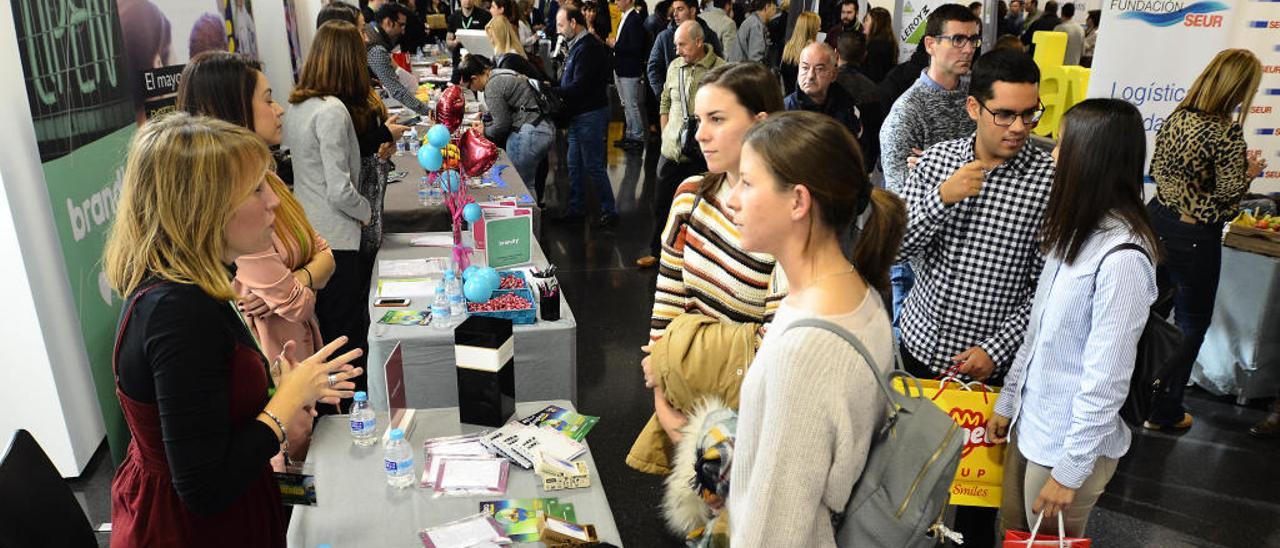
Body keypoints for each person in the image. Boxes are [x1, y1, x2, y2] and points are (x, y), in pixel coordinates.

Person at [103, 112, 363, 548]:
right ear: (205, 206)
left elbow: (206, 411)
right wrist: (286, 402)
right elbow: (205, 488)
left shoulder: (193, 290)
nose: (274, 203)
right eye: (257, 189)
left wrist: (277, 387)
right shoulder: (177, 314)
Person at [726, 111, 906, 546]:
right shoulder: (855, 289)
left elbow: (778, 530)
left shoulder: (806, 349)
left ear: (798, 202)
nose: (732, 198)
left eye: (747, 183)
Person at [897, 48, 1053, 547]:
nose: (1019, 127)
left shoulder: (1047, 181)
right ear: (973, 109)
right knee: (912, 486)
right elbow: (894, 248)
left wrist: (997, 350)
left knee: (976, 505)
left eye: (1030, 114)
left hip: (991, 373)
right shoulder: (939, 164)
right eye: (1004, 113)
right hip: (921, 355)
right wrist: (941, 199)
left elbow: (1045, 290)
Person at [987, 98, 1159, 540]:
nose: (1053, 155)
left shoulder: (1123, 257)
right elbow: (1039, 331)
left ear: (1092, 159)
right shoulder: (1076, 230)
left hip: (1066, 445)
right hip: (1032, 424)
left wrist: (1070, 471)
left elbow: (1107, 378)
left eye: (1063, 145)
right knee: (1012, 535)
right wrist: (1009, 403)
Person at [175, 51, 337, 463]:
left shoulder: (267, 181)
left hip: (297, 361)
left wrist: (297, 276)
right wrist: (307, 278)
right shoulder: (237, 209)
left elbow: (324, 251)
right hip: (276, 371)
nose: (279, 108)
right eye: (267, 99)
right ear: (234, 109)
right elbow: (299, 303)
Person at [630, 62, 786, 476]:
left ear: (760, 124)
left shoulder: (784, 219)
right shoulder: (690, 198)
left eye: (717, 119)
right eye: (700, 120)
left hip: (754, 424)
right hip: (687, 400)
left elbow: (775, 348)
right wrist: (663, 399)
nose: (700, 134)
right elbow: (667, 305)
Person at [1144, 49, 1265, 432]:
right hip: (1195, 236)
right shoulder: (1226, 132)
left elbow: (1156, 170)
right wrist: (1249, 173)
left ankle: (1129, 397)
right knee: (1191, 324)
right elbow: (1226, 205)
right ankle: (1163, 410)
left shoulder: (1177, 117)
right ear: (1238, 87)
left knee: (1145, 317)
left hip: (1155, 220)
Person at [284, 21, 376, 398]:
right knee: (347, 336)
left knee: (324, 335)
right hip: (337, 237)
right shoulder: (332, 111)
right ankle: (354, 412)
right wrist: (367, 210)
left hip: (307, 231)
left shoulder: (297, 106)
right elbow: (340, 189)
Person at [880, 3, 979, 339]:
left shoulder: (975, 100)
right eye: (958, 40)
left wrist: (933, 167)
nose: (968, 49)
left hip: (966, 254)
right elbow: (902, 207)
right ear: (930, 44)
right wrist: (950, 178)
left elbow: (989, 170)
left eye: (973, 40)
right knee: (907, 362)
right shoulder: (905, 115)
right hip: (916, 262)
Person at [636, 22, 726, 267]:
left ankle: (697, 259)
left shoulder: (720, 71)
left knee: (701, 211)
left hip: (702, 155)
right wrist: (667, 134)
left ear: (699, 42)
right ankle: (658, 252)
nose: (677, 50)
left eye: (682, 44)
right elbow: (665, 101)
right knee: (662, 206)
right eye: (675, 45)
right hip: (671, 152)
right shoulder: (675, 66)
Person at [553, 6, 621, 226]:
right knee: (574, 164)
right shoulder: (577, 46)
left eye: (561, 25)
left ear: (574, 23)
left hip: (589, 115)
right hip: (578, 115)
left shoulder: (588, 47)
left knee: (592, 164)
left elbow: (580, 85)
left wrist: (554, 91)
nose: (559, 31)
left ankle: (609, 212)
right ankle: (577, 208)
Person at [458, 54, 556, 195]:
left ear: (474, 78)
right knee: (529, 184)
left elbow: (501, 125)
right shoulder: (500, 72)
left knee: (522, 188)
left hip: (528, 133)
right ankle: (537, 211)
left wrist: (484, 131)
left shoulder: (492, 86)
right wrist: (488, 119)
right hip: (543, 128)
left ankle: (531, 216)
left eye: (471, 86)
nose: (475, 90)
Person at [785, 43, 863, 147]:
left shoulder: (848, 108)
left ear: (834, 75)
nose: (810, 76)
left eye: (819, 69)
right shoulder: (785, 110)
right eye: (805, 68)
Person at [646, 0, 725, 98]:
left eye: (680, 9)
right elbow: (653, 69)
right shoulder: (664, 37)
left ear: (692, 11)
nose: (675, 14)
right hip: (676, 103)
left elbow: (719, 67)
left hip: (705, 99)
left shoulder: (709, 35)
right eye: (674, 9)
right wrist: (665, 97)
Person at [367, 4, 432, 116]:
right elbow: (396, 90)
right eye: (401, 25)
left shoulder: (373, 36)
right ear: (388, 22)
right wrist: (429, 112)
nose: (403, 31)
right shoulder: (376, 48)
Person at [835, 31, 885, 171]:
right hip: (862, 163)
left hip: (831, 160)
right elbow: (876, 132)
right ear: (864, 56)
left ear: (836, 53)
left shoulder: (829, 84)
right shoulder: (873, 89)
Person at [613, 0, 650, 149]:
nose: (616, 2)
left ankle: (637, 136)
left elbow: (635, 47)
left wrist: (615, 45)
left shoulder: (634, 18)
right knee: (626, 104)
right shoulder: (626, 17)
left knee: (631, 104)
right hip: (622, 67)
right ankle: (630, 134)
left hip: (629, 69)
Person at [487, 15, 550, 80]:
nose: (490, 40)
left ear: (501, 35)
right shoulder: (505, 51)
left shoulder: (511, 56)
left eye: (492, 36)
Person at [447, 0, 493, 83]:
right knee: (454, 87)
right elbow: (448, 43)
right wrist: (455, 42)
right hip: (459, 61)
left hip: (480, 61)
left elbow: (492, 38)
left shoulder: (485, 16)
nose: (467, 1)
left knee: (480, 91)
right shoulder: (453, 17)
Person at [779, 11, 819, 94]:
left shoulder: (787, 48)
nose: (819, 29)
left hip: (788, 98)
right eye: (818, 27)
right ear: (812, 30)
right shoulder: (812, 52)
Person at [861, 6, 897, 82]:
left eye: (867, 20)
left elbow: (873, 77)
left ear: (876, 23)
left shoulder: (875, 47)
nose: (864, 23)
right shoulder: (890, 43)